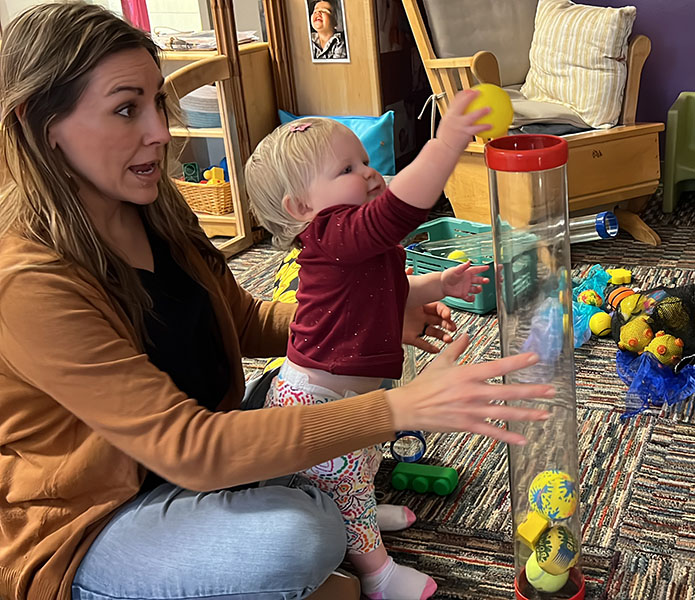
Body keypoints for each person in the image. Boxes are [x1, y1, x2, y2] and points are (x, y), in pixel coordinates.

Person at [0, 3, 553, 600]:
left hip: (203, 451)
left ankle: (322, 524)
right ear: (40, 124)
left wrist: (368, 321)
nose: (160, 131)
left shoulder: (155, 206)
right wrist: (401, 408)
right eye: (126, 108)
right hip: (100, 517)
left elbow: (243, 321)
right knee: (300, 537)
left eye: (157, 102)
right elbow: (189, 448)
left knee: (313, 408)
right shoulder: (25, 280)